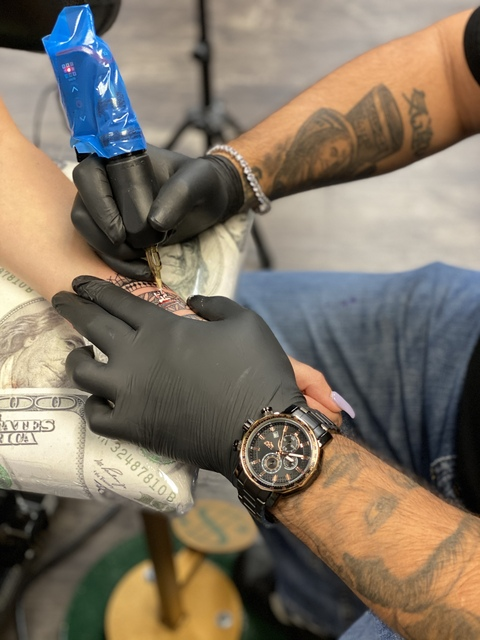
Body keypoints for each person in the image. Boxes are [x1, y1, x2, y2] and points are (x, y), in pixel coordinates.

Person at [62, 7, 480, 640]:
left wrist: (277, 443)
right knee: (199, 327)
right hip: (463, 350)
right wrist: (234, 174)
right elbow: (454, 70)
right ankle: (309, 603)